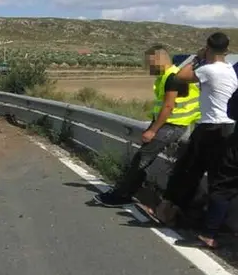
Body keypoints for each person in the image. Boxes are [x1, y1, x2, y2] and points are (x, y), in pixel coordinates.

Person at [94, 45, 200, 207]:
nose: (148, 67)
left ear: (159, 60)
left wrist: (152, 130)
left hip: (171, 126)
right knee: (142, 159)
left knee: (141, 160)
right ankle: (128, 191)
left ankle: (121, 195)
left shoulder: (172, 77)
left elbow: (168, 107)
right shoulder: (169, 76)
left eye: (150, 63)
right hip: (171, 124)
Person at [155, 32, 238, 225]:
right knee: (217, 177)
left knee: (187, 170)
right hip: (227, 128)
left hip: (209, 127)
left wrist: (199, 57)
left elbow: (180, 76)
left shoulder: (209, 70)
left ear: (208, 47)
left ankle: (171, 212)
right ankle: (212, 220)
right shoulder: (230, 70)